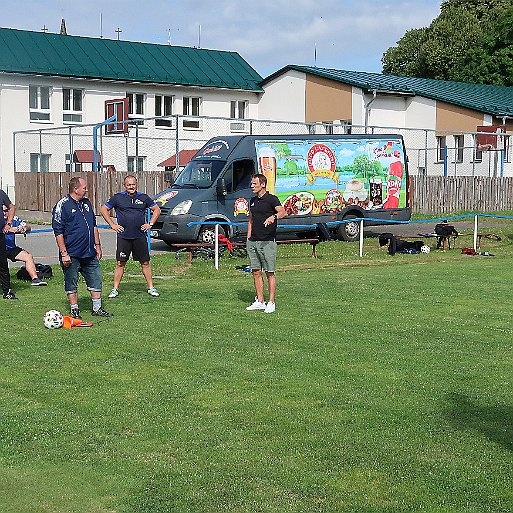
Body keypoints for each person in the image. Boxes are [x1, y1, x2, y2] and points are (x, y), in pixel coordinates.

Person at [52, 177, 112, 319]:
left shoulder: (86, 203)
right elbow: (58, 232)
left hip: (89, 252)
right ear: (75, 189)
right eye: (84, 187)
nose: (87, 190)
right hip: (71, 253)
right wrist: (64, 253)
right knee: (71, 281)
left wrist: (97, 246)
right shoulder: (62, 205)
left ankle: (97, 309)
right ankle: (75, 310)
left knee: (96, 279)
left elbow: (94, 225)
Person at [100, 175, 161, 298]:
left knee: (145, 262)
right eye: (129, 185)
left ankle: (151, 287)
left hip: (139, 236)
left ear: (136, 184)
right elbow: (103, 209)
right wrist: (113, 224)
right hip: (124, 236)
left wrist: (150, 224)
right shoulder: (118, 198)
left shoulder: (143, 197)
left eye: (133, 184)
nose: (131, 187)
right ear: (125, 185)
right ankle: (115, 289)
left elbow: (157, 210)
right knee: (120, 263)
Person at [246, 173, 286, 314]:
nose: (252, 186)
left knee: (269, 272)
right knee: (256, 272)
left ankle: (271, 302)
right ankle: (260, 301)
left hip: (267, 241)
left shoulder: (272, 199)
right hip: (253, 241)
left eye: (254, 184)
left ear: (262, 184)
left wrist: (273, 217)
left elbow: (283, 212)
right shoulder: (252, 201)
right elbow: (251, 219)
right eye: (251, 184)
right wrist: (248, 238)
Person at [3, 206, 47, 286]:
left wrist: (24, 228)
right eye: (2, 210)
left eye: (6, 211)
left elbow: (28, 227)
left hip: (10, 248)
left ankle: (35, 279)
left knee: (28, 256)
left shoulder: (14, 218)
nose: (4, 213)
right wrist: (9, 229)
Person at [0, 189, 16, 299]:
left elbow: (11, 207)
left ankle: (7, 291)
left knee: (3, 264)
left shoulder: (1, 193)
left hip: (0, 235)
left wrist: (8, 224)